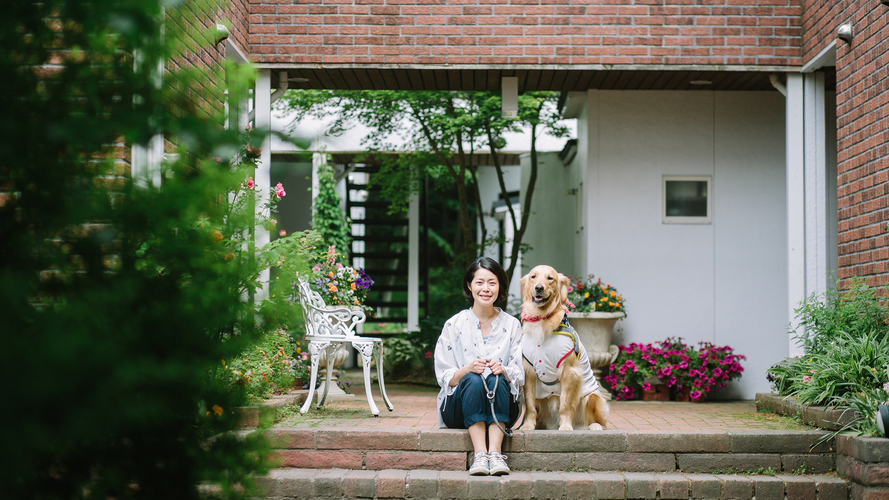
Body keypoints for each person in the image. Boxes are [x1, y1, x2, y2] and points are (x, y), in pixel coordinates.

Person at [433, 256, 524, 476]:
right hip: (456, 408)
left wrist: (503, 370)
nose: (486, 288)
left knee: (497, 377)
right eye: (480, 282)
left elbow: (519, 374)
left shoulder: (512, 325)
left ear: (500, 286)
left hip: (501, 405)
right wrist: (466, 369)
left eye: (492, 282)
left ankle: (495, 453)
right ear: (469, 285)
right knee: (473, 378)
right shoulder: (454, 324)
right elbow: (444, 376)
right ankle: (480, 455)